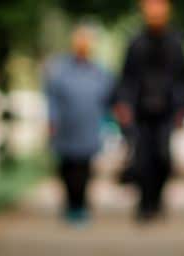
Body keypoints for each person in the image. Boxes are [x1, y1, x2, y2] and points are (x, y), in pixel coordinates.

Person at [114, 0, 184, 222]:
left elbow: (183, 78)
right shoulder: (135, 42)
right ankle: (145, 203)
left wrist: (182, 107)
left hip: (166, 111)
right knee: (141, 159)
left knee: (163, 157)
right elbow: (126, 78)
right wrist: (124, 104)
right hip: (140, 111)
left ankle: (156, 199)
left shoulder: (176, 42)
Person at [44, 24, 115, 225]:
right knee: (67, 167)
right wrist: (52, 120)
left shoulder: (100, 72)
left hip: (89, 127)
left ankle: (81, 204)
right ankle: (71, 203)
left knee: (84, 168)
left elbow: (109, 98)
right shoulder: (60, 69)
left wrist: (111, 121)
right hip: (66, 127)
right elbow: (52, 98)